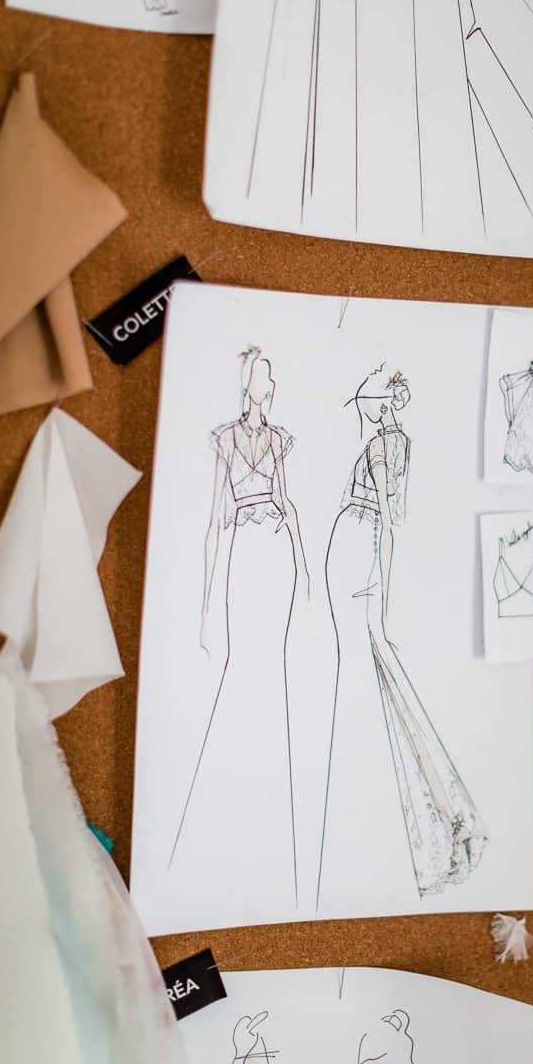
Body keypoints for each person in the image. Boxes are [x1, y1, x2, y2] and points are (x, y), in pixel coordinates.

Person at [314, 367, 486, 912]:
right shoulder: (388, 442)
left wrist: (387, 595)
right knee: (369, 669)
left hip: (358, 543)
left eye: (368, 398)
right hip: (353, 543)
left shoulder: (386, 443)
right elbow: (391, 513)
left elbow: (393, 515)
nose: (363, 405)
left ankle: (436, 822)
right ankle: (430, 821)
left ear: (381, 402)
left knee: (374, 668)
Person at [168, 347, 308, 903]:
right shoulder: (224, 439)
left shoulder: (280, 441)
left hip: (276, 553)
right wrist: (205, 600)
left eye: (266, 378)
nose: (260, 384)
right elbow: (212, 517)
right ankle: (226, 795)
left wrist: (305, 565)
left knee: (270, 665)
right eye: (253, 375)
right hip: (243, 551)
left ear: (270, 390)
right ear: (244, 384)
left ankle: (269, 800)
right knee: (239, 664)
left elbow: (289, 502)